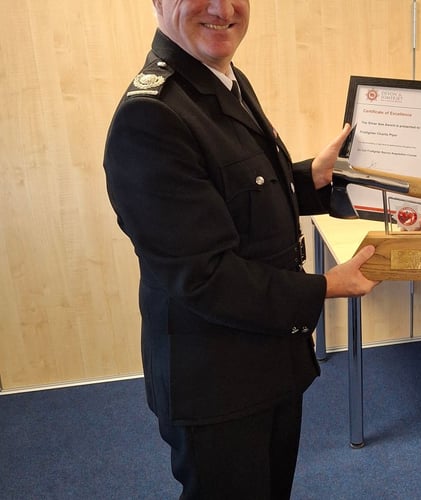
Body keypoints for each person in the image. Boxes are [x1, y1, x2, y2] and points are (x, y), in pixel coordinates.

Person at [103, 1, 378, 498]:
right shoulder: (152, 116)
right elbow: (204, 275)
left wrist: (310, 177)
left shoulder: (219, 78)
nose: (221, 8)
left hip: (264, 359)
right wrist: (325, 287)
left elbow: (241, 195)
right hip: (215, 383)